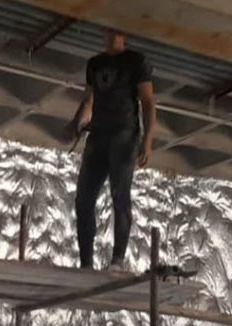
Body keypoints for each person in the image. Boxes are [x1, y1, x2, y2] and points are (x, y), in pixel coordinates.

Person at [65, 28, 157, 271]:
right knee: (84, 198)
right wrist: (75, 123)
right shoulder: (95, 63)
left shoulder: (136, 61)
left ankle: (117, 260)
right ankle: (86, 262)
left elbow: (147, 102)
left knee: (120, 194)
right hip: (98, 134)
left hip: (124, 134)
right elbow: (89, 99)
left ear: (124, 33)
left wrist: (147, 140)